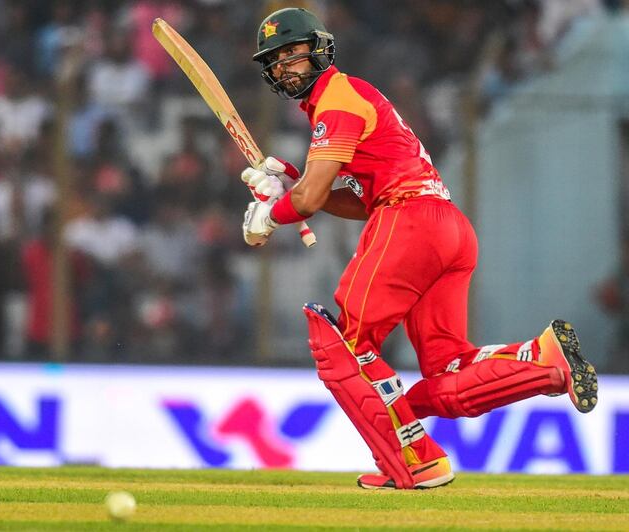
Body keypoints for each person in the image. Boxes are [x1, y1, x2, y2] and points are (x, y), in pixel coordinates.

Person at [240, 7, 598, 490]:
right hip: (445, 227)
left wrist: (269, 215)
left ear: (318, 48)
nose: (286, 66)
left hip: (409, 220)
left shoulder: (338, 99)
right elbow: (346, 200)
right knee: (446, 374)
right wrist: (296, 183)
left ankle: (414, 461)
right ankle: (542, 361)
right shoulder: (344, 100)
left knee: (345, 346)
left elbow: (308, 201)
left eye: (293, 52)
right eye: (276, 60)